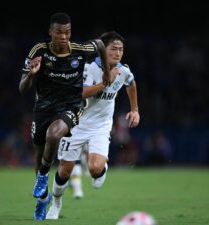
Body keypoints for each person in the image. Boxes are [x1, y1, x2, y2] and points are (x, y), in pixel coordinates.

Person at [19, 12, 111, 220]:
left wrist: (106, 71)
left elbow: (99, 44)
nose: (63, 37)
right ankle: (43, 199)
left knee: (54, 135)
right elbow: (22, 87)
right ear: (50, 32)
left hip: (71, 105)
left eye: (67, 33)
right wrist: (31, 75)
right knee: (40, 152)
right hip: (43, 108)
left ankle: (43, 177)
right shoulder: (39, 51)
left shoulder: (79, 50)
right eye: (59, 33)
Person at [46, 31, 140, 220]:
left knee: (95, 169)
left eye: (121, 49)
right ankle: (56, 202)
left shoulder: (124, 70)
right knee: (64, 170)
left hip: (101, 126)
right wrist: (106, 83)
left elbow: (131, 83)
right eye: (114, 49)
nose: (118, 53)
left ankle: (102, 168)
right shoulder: (89, 67)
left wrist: (135, 109)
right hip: (75, 123)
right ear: (103, 50)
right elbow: (81, 93)